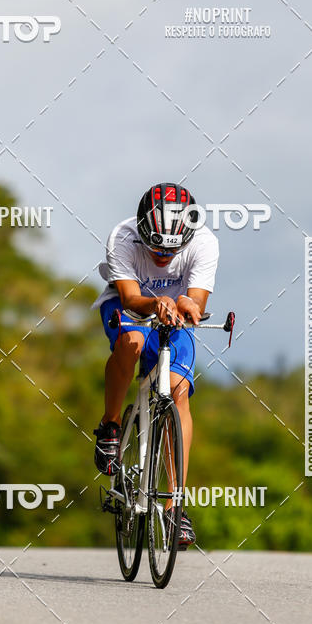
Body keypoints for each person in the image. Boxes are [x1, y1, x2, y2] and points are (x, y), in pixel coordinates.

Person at [92, 182, 219, 548]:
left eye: (171, 250)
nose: (162, 256)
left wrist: (187, 305)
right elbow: (131, 296)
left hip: (173, 313)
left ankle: (175, 505)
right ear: (142, 230)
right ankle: (111, 426)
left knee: (178, 390)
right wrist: (158, 301)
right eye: (155, 248)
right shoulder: (123, 235)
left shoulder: (205, 242)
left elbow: (195, 298)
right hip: (127, 307)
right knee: (130, 343)